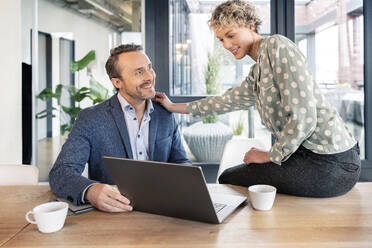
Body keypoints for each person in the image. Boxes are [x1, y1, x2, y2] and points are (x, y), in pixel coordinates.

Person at [154, 0, 361, 197]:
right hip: (305, 156)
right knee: (234, 176)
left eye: (231, 35)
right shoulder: (258, 70)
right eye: (221, 39)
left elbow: (304, 117)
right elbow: (226, 101)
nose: (226, 45)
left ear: (251, 25)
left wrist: (269, 155)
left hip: (332, 162)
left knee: (229, 178)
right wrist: (172, 106)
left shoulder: (277, 46)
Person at [49, 44, 191, 213]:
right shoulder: (91, 119)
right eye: (139, 72)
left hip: (164, 211)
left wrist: (189, 180)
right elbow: (61, 172)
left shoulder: (165, 113)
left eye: (149, 68)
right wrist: (90, 191)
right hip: (115, 214)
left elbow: (180, 161)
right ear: (117, 82)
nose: (149, 77)